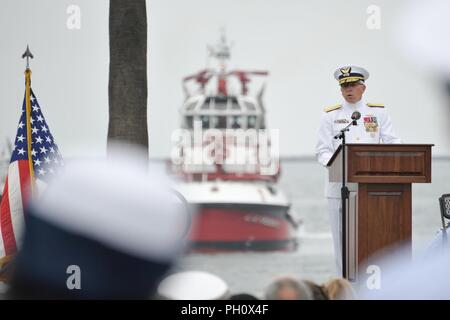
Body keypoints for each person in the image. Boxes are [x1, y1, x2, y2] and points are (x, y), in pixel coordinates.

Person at [315, 66, 401, 275]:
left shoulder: (378, 112)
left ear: (363, 87)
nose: (348, 89)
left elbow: (393, 142)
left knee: (372, 236)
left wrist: (385, 165)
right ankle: (344, 286)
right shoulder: (331, 115)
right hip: (339, 186)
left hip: (372, 186)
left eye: (353, 85)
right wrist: (338, 165)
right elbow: (322, 151)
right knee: (341, 242)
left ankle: (372, 284)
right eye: (344, 86)